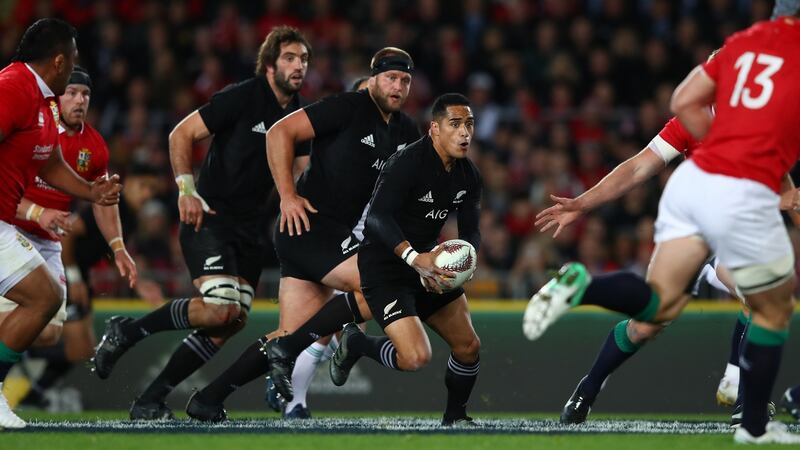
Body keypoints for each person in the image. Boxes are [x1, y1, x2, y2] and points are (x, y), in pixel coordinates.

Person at [524, 9, 800, 444]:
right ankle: (748, 412)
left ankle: (585, 291)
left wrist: (582, 204)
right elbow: (780, 180)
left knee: (653, 314)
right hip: (728, 207)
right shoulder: (775, 91)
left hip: (690, 195)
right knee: (770, 300)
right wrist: (582, 203)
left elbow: (642, 165)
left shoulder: (718, 92)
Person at [184, 48, 420, 422]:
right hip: (309, 227)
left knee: (289, 337)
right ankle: (354, 342)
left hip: (322, 237)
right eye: (390, 77)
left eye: (405, 80)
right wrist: (288, 195)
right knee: (380, 280)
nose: (398, 86)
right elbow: (280, 132)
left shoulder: (406, 130)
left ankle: (208, 399)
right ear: (373, 78)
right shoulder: (347, 106)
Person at [89, 26, 312, 420]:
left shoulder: (299, 115)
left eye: (304, 59)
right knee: (222, 309)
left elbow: (301, 172)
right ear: (270, 64)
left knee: (231, 320)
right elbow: (182, 133)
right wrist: (185, 189)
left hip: (250, 228)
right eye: (291, 58)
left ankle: (149, 400)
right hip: (210, 216)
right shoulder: (242, 96)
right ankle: (129, 331)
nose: (299, 66)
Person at [536, 110, 800, 424]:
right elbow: (638, 167)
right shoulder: (695, 118)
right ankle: (588, 386)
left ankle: (744, 399)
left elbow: (785, 190)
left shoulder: (761, 120)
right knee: (647, 324)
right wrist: (582, 203)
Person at [329, 93, 482, 426]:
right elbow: (377, 219)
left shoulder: (468, 176)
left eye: (469, 124)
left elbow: (472, 232)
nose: (464, 133)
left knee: (468, 346)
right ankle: (357, 344)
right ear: (434, 129)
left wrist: (466, 265)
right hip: (385, 268)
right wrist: (415, 258)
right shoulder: (408, 161)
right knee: (415, 358)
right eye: (455, 124)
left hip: (427, 266)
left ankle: (455, 417)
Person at [0, 18, 122, 429]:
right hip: (6, 225)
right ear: (58, 61)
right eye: (72, 60)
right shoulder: (14, 86)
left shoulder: (40, 101)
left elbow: (51, 163)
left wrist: (92, 193)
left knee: (45, 307)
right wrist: (33, 213)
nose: (74, 67)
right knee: (43, 298)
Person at [264, 74, 373, 419]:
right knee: (321, 329)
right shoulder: (339, 138)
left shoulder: (392, 142)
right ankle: (294, 403)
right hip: (325, 241)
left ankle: (280, 378)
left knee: (310, 334)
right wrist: (289, 196)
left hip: (360, 245)